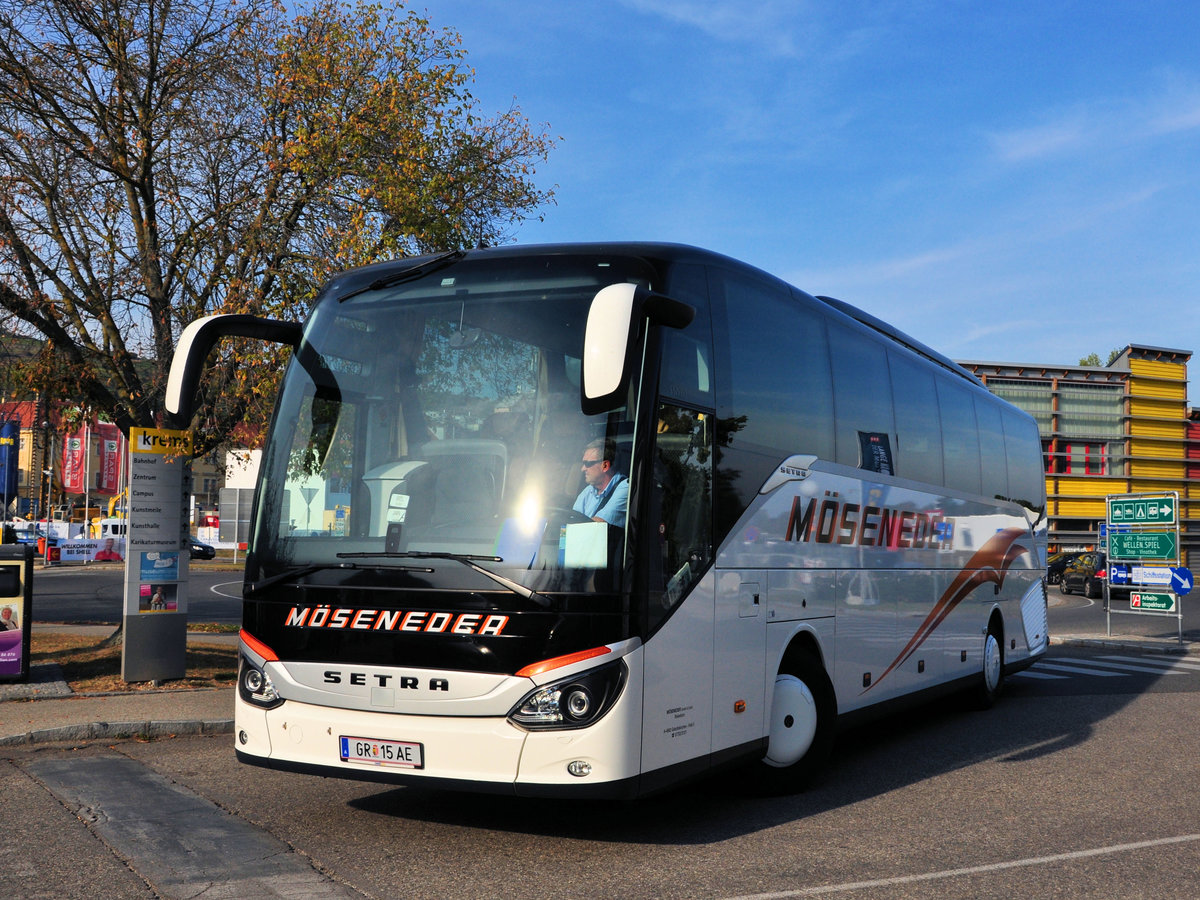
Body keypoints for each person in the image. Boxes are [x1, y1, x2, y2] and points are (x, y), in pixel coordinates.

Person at [572, 438, 628, 528]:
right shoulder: (588, 491)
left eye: (588, 464)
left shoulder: (625, 488)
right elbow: (571, 522)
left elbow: (597, 525)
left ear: (605, 466)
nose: (582, 469)